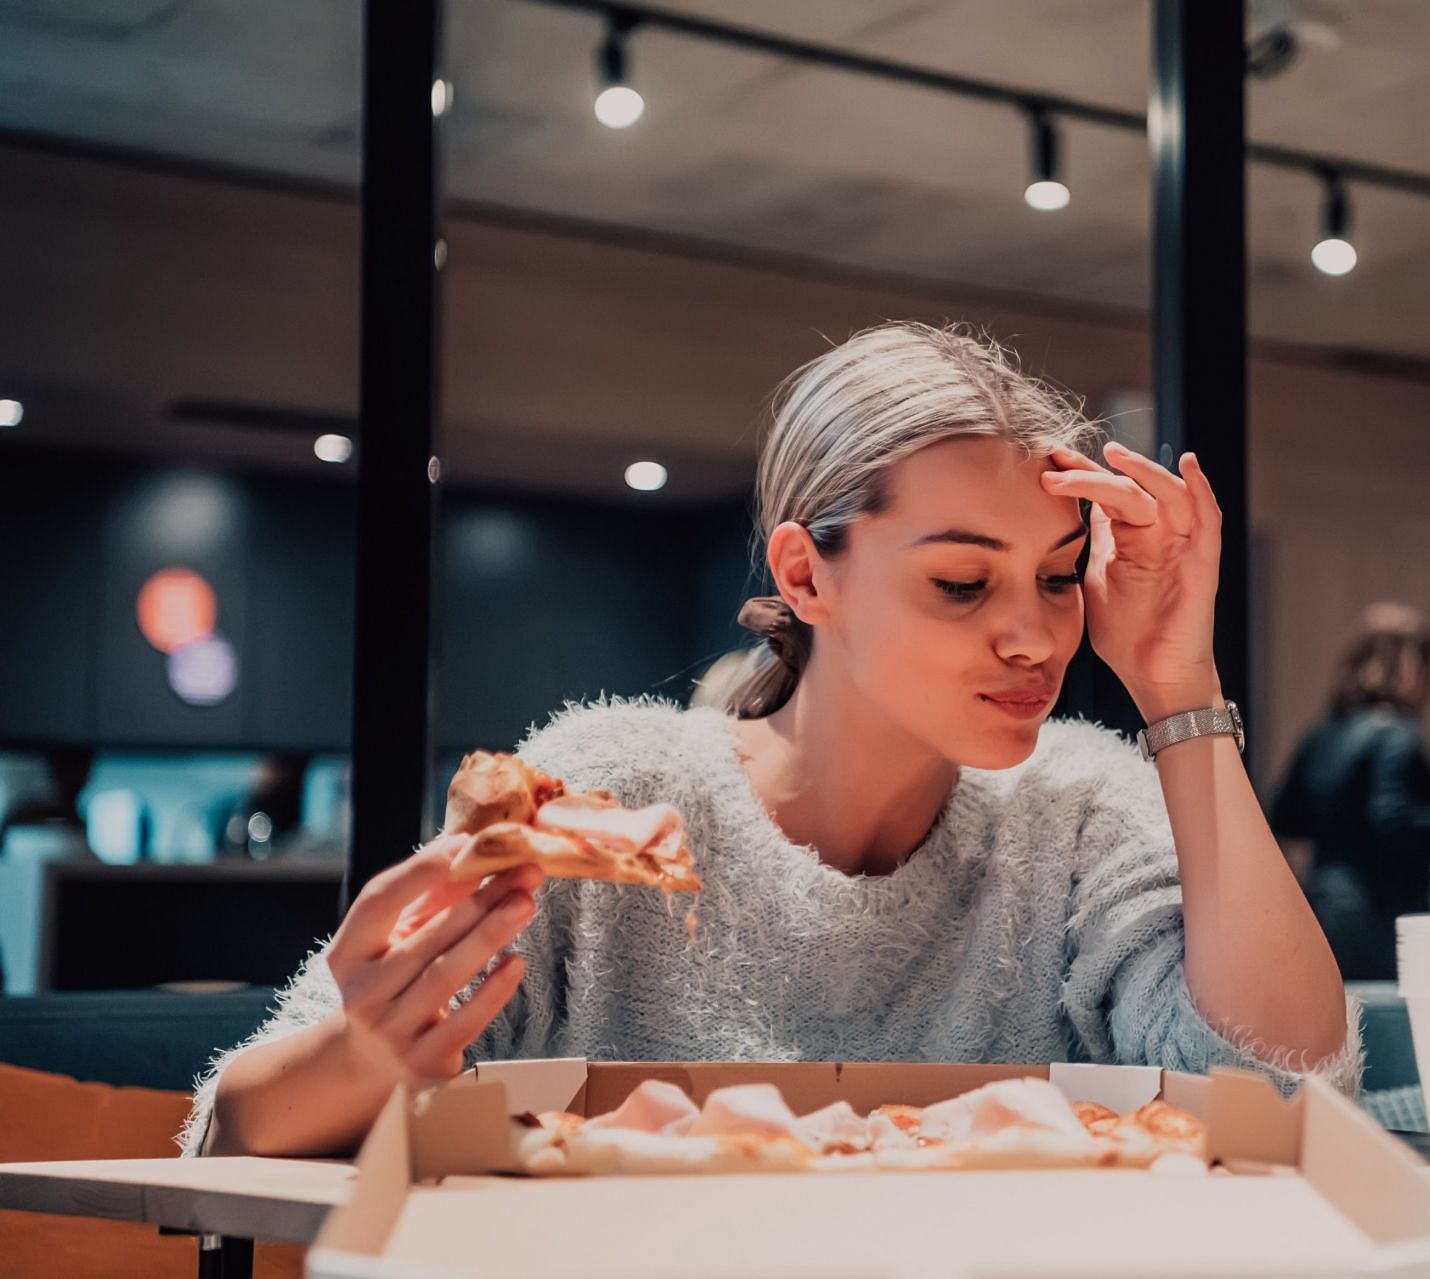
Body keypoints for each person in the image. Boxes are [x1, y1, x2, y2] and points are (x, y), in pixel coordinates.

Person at [182, 321, 1357, 1159]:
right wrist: (370, 1056)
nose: (1034, 636)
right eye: (961, 582)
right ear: (807, 574)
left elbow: (1283, 1092)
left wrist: (1178, 688)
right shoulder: (613, 793)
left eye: (1058, 580)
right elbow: (228, 1135)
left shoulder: (1085, 809)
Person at [1267, 604, 1430, 979]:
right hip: (1381, 917)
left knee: (1345, 1028)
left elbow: (1283, 818)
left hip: (1321, 913)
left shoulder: (1321, 735)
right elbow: (1391, 823)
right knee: (1388, 1030)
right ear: (1413, 668)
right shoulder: (1396, 734)